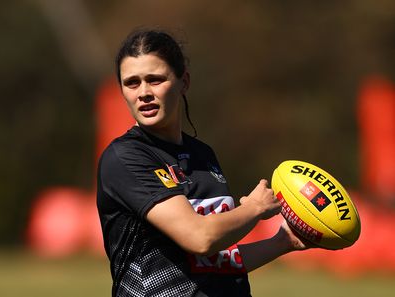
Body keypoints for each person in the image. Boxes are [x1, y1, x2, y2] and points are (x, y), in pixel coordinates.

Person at [97, 29, 311, 297]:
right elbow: (200, 238)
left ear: (183, 81)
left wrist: (283, 242)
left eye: (155, 79)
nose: (143, 92)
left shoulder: (203, 155)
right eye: (132, 83)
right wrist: (255, 208)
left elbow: (214, 261)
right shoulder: (126, 158)